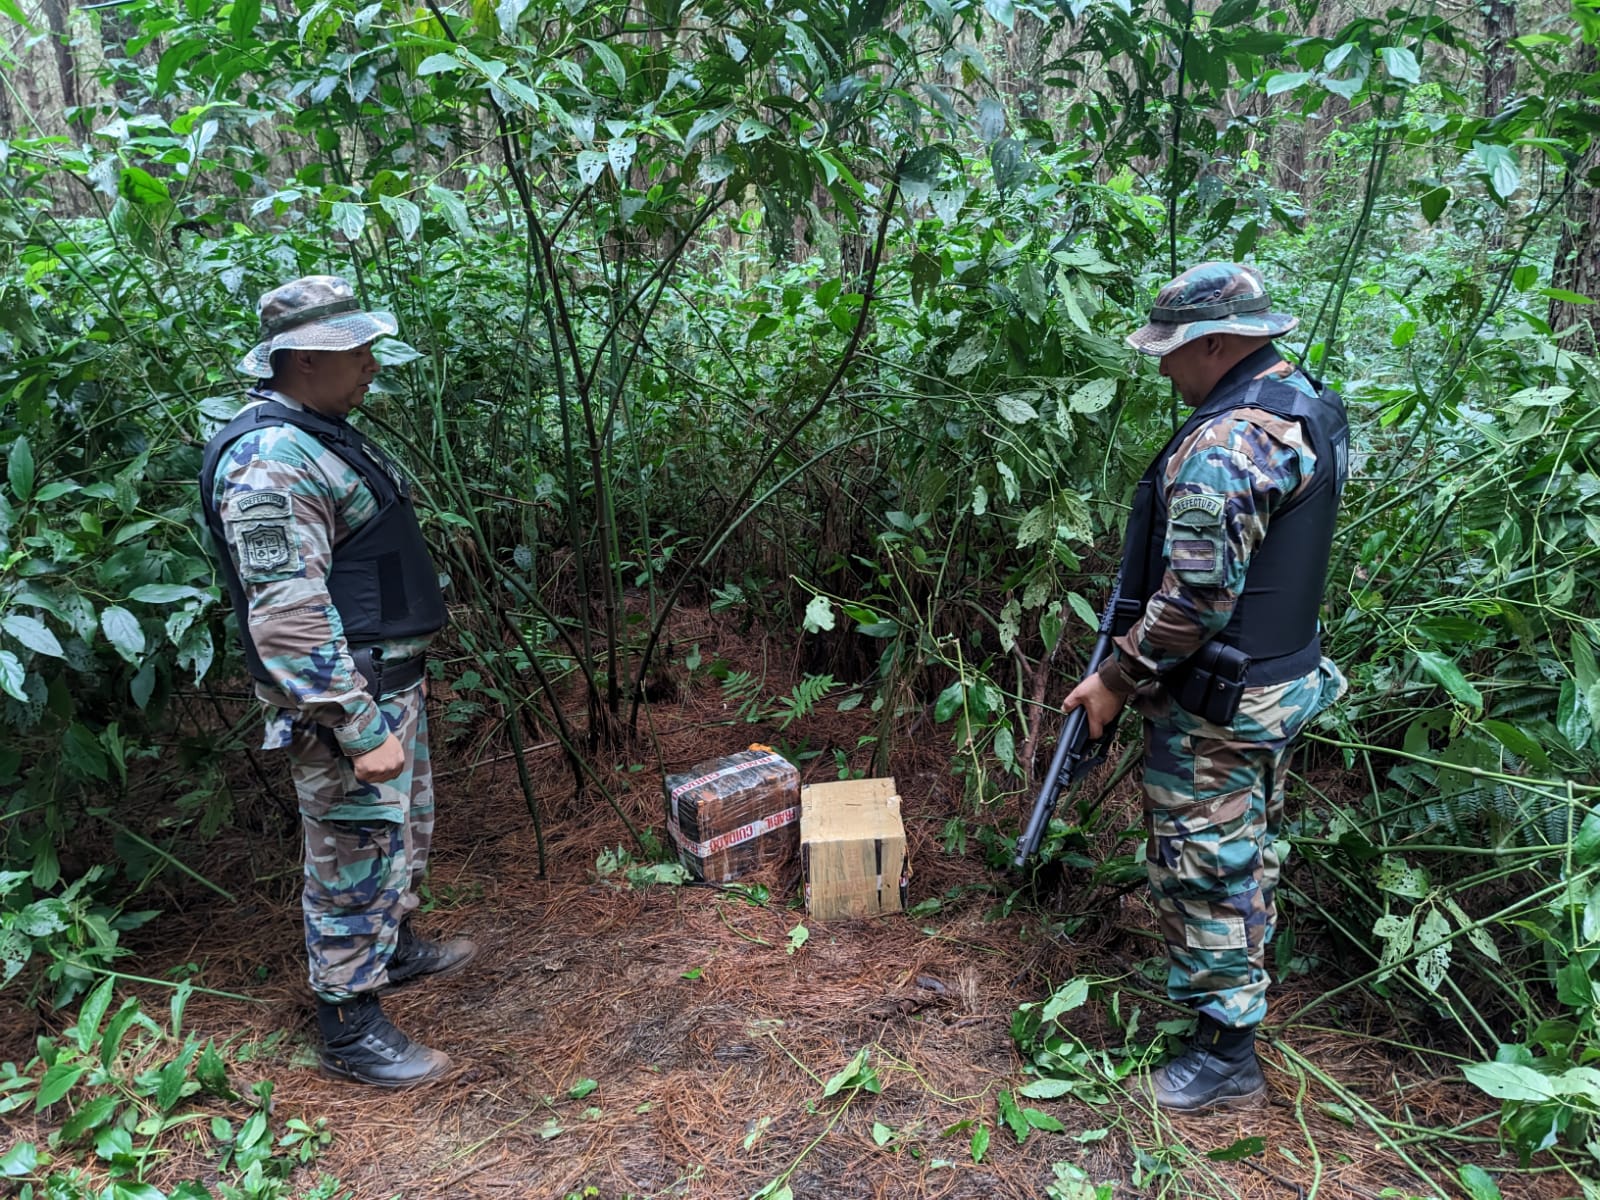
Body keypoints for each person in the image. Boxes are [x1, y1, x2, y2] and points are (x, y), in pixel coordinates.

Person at [1063, 262, 1348, 1114]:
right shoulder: (1303, 400)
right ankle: (1238, 1008)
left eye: (1171, 351)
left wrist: (1115, 679)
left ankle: (1226, 1055)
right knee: (1243, 850)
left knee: (1205, 865)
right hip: (1278, 681)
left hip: (1222, 703)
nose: (1161, 368)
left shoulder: (1228, 445)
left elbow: (1194, 601)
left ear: (1218, 345)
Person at [199, 276, 475, 1089]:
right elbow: (287, 614)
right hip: (344, 697)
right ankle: (349, 1025)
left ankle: (390, 948)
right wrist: (355, 724)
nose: (369, 368)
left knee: (398, 832)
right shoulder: (269, 460)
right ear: (307, 359)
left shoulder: (319, 432)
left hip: (384, 681)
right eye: (357, 353)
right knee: (352, 852)